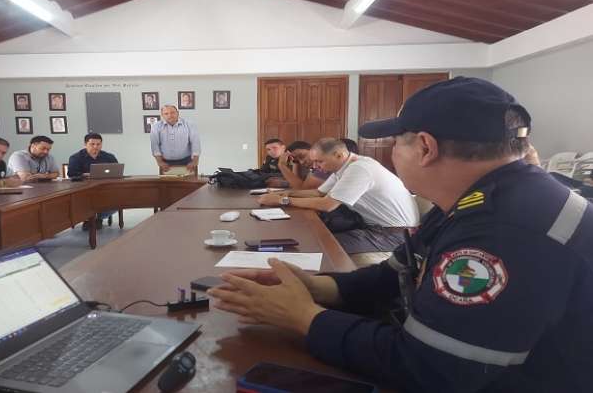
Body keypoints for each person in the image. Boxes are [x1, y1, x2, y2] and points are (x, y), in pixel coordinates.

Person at [209, 77, 593, 393]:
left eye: (395, 142)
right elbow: (392, 276)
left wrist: (304, 318)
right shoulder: (481, 198)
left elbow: (431, 368)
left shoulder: (505, 230)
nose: (391, 153)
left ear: (425, 147)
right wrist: (315, 287)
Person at [258, 137, 419, 253]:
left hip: (395, 235)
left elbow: (328, 204)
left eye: (320, 161)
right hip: (378, 228)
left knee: (316, 244)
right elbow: (318, 192)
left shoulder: (359, 169)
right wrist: (284, 193)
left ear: (339, 155)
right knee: (311, 234)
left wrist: (284, 200)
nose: (316, 166)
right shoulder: (342, 167)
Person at [67, 133, 118, 228]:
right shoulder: (75, 157)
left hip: (105, 188)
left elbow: (116, 171)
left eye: (98, 144)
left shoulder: (109, 156)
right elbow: (71, 174)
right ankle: (89, 218)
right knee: (84, 201)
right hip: (84, 189)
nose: (96, 147)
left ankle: (97, 218)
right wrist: (86, 175)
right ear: (85, 144)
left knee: (118, 200)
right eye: (92, 144)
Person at [150, 105, 201, 174]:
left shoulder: (189, 124)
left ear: (178, 113)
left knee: (189, 183)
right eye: (166, 113)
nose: (170, 115)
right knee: (167, 184)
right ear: (162, 115)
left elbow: (195, 143)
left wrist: (195, 161)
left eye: (172, 112)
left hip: (187, 161)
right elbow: (155, 145)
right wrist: (160, 162)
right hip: (165, 162)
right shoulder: (156, 127)